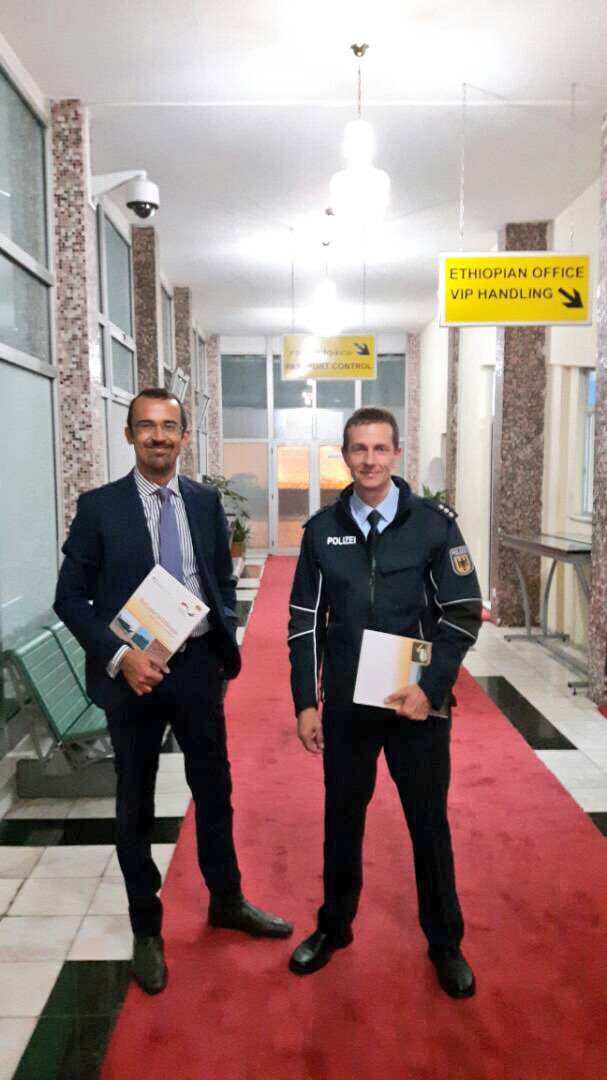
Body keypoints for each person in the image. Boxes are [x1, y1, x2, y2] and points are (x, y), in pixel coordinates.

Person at [55, 387, 292, 995]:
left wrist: (223, 630)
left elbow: (217, 578)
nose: (158, 436)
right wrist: (120, 657)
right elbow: (70, 598)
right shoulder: (100, 508)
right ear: (129, 435)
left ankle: (227, 899)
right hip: (132, 674)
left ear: (184, 436)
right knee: (134, 802)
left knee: (215, 790)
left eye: (169, 426)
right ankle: (146, 926)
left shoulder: (205, 503)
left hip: (195, 669)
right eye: (147, 426)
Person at [287, 407, 482, 997]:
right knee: (342, 818)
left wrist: (432, 688)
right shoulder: (323, 530)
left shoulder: (433, 526)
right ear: (345, 456)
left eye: (379, 448)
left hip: (414, 704)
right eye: (358, 449)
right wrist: (306, 702)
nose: (369, 460)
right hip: (348, 706)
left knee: (428, 823)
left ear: (396, 454)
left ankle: (445, 943)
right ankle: (334, 926)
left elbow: (461, 613)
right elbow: (303, 623)